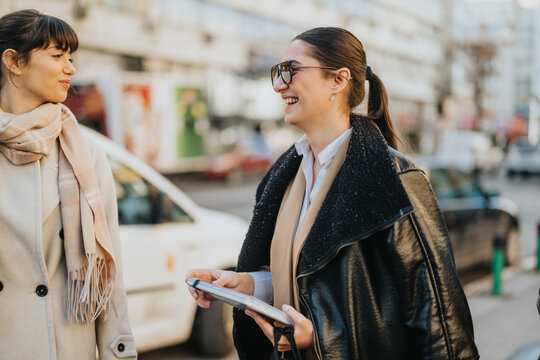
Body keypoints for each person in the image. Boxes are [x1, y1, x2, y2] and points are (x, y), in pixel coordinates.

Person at [187, 27, 479, 360]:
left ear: (338, 81)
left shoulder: (395, 178)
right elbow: (307, 278)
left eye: (291, 70)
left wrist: (323, 338)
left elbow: (439, 319)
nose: (280, 84)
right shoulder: (286, 177)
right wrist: (246, 285)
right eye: (277, 73)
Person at [0, 9, 136, 359]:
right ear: (14, 62)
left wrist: (118, 352)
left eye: (70, 57)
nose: (70, 68)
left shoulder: (84, 154)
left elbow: (109, 274)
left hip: (67, 346)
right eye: (57, 56)